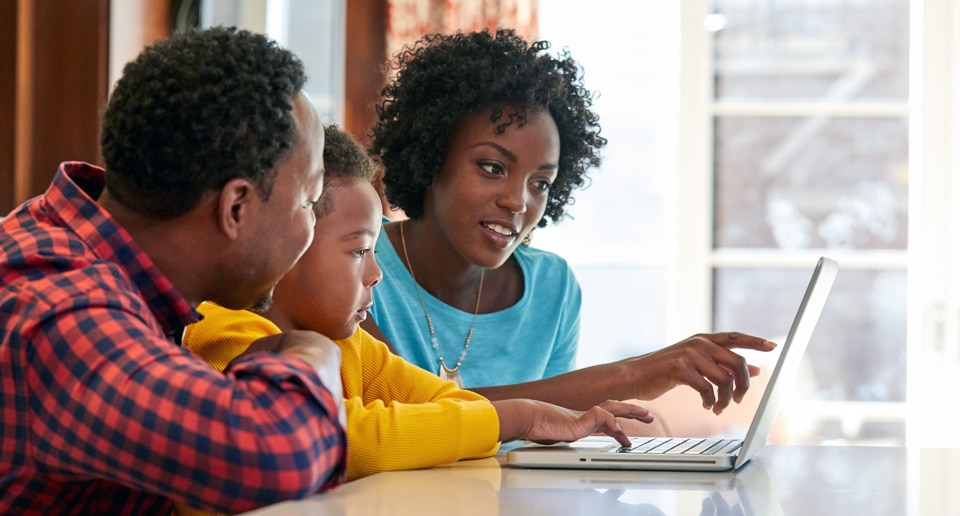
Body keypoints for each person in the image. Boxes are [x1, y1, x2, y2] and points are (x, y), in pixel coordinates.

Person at [0, 27, 348, 515]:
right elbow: (276, 454)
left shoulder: (63, 234)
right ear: (237, 208)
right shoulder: (62, 311)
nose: (311, 224)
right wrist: (312, 352)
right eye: (310, 201)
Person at [183, 124, 653, 484]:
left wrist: (541, 416)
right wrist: (518, 416)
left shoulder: (352, 348)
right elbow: (345, 435)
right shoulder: (224, 332)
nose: (376, 273)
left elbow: (442, 399)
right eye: (358, 251)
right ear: (288, 242)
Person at [361, 28, 777, 420]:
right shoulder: (358, 258)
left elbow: (546, 440)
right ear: (431, 156)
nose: (518, 201)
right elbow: (407, 414)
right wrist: (629, 376)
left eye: (540, 183)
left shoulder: (551, 286)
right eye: (492, 167)